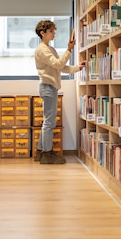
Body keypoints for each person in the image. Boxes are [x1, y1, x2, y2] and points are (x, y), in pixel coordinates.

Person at [33, 20, 85, 164]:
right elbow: (58, 64)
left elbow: (61, 67)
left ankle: (41, 153)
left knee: (47, 121)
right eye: (51, 31)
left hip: (50, 87)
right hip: (48, 87)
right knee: (49, 122)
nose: (53, 33)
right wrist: (69, 50)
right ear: (42, 33)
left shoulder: (50, 49)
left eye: (53, 31)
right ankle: (47, 154)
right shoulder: (42, 50)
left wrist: (77, 68)